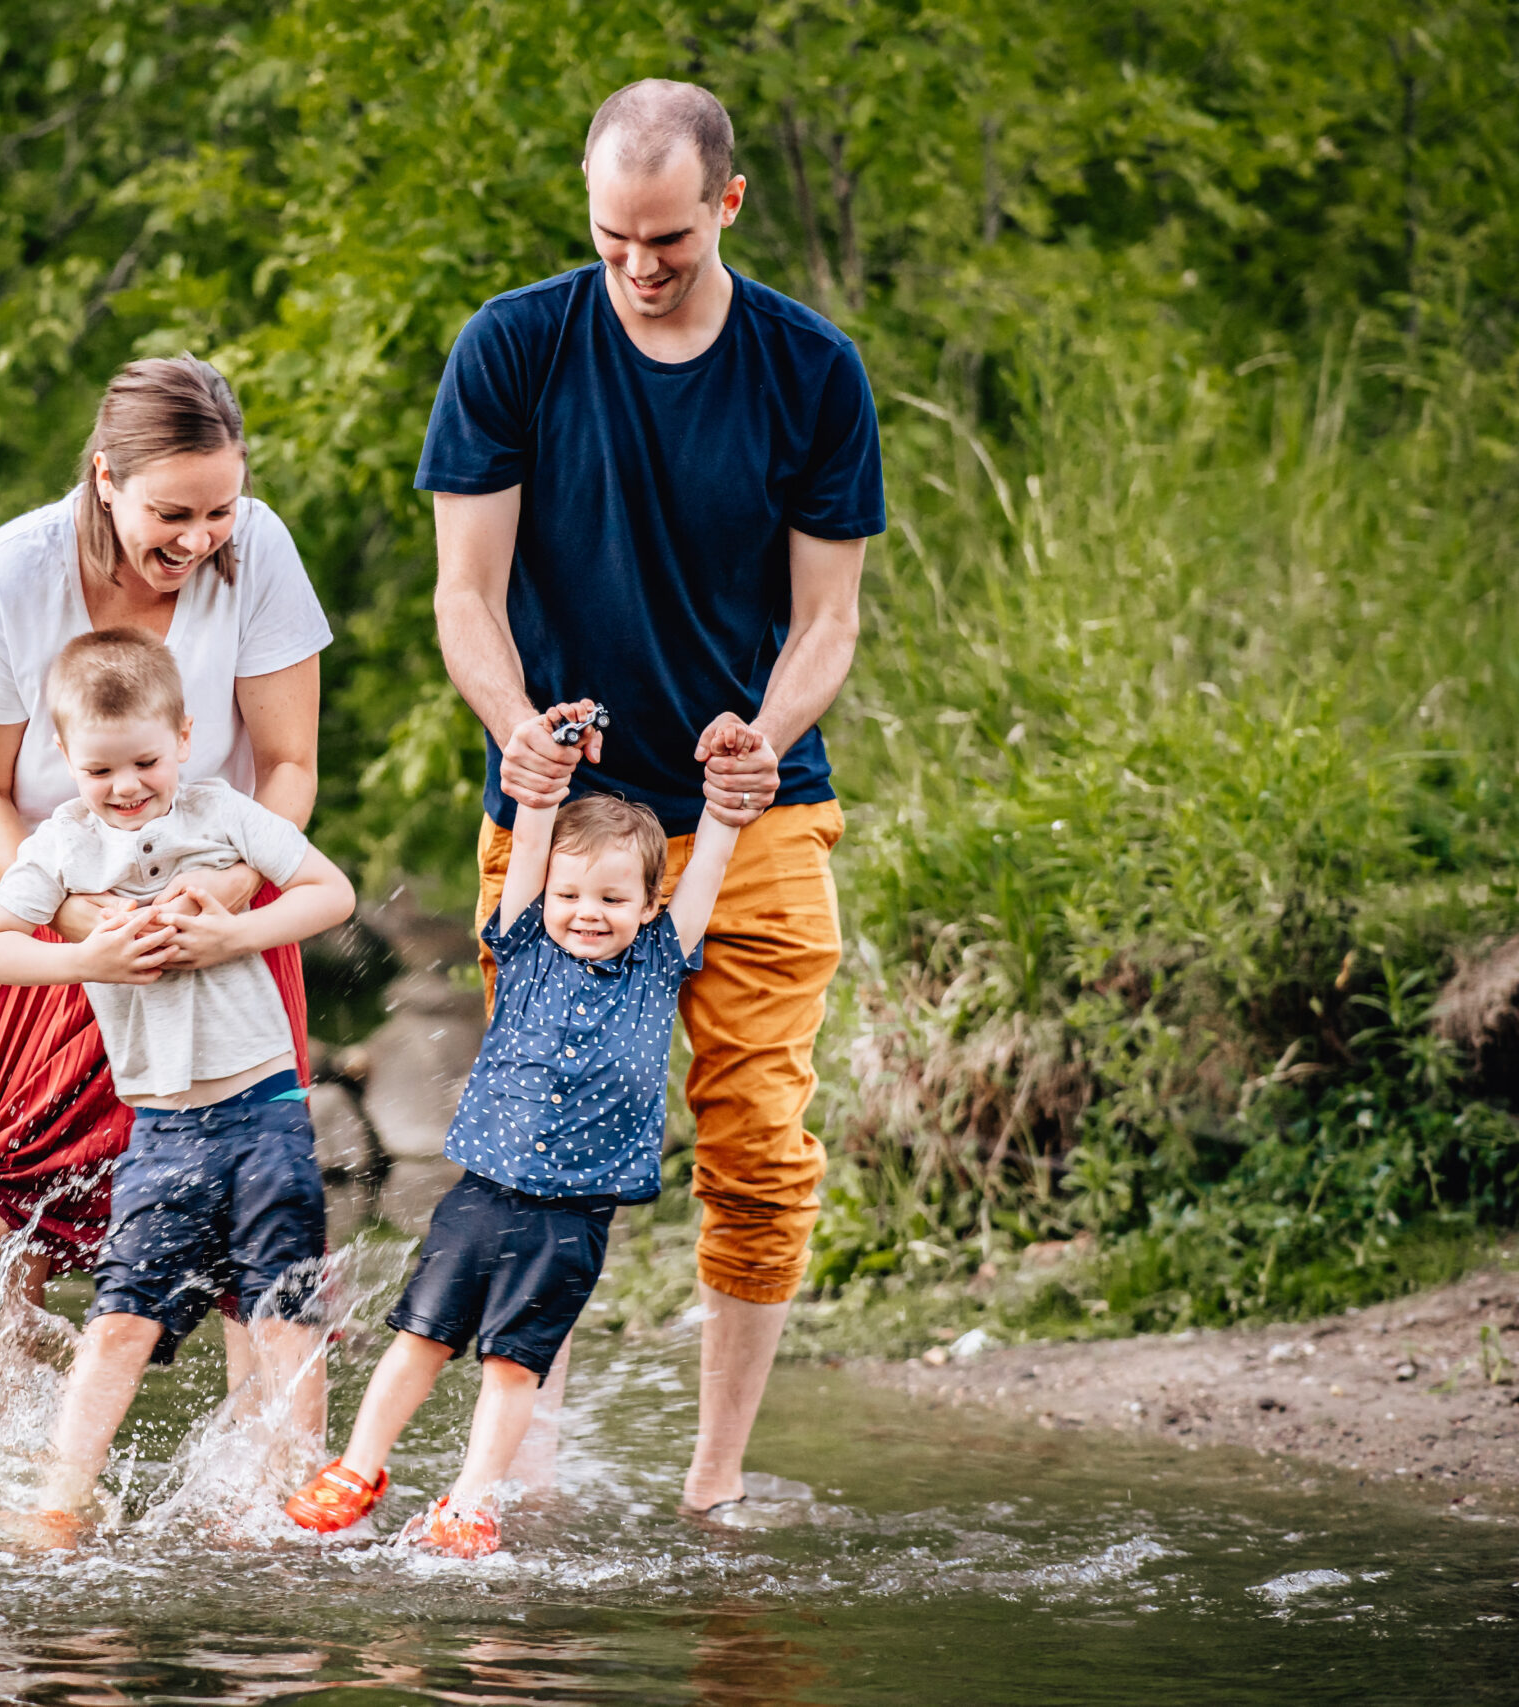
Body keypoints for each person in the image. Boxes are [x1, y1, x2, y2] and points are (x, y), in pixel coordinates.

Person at [420, 80, 884, 1520]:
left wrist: (770, 725)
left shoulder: (810, 369)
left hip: (757, 811)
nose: (639, 264)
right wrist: (514, 728)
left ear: (728, 204)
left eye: (670, 236)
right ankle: (523, 1470)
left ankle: (713, 1482)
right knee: (534, 1138)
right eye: (614, 233)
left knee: (757, 1142)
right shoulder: (514, 344)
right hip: (563, 820)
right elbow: (466, 593)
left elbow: (829, 620)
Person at [0, 357, 333, 1342]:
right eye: (172, 516)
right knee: (5, 1188)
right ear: (105, 478)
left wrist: (227, 893)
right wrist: (74, 918)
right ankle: (2, 1469)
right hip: (39, 891)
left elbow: (290, 763)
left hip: (218, 894)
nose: (199, 541)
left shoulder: (258, 549)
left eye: (220, 511)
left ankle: (261, 1488)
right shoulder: (3, 577)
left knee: (254, 1197)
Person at [284, 704, 752, 1556]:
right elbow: (532, 834)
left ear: (651, 906)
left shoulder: (658, 962)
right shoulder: (525, 943)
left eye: (612, 897)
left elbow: (713, 855)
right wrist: (547, 777)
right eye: (571, 894)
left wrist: (724, 799)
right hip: (482, 1194)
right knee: (418, 1336)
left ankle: (471, 1501)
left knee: (513, 1365)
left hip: (571, 1218)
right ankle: (358, 1465)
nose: (586, 911)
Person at [0, 628, 357, 1547]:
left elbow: (330, 892)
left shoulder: (225, 816)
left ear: (184, 734)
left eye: (146, 758)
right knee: (120, 1313)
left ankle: (295, 1497)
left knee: (283, 1305)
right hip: (163, 1130)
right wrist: (87, 954)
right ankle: (62, 1498)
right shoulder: (59, 849)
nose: (128, 783)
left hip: (266, 1112)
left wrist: (234, 929)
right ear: (64, 758)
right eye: (102, 768)